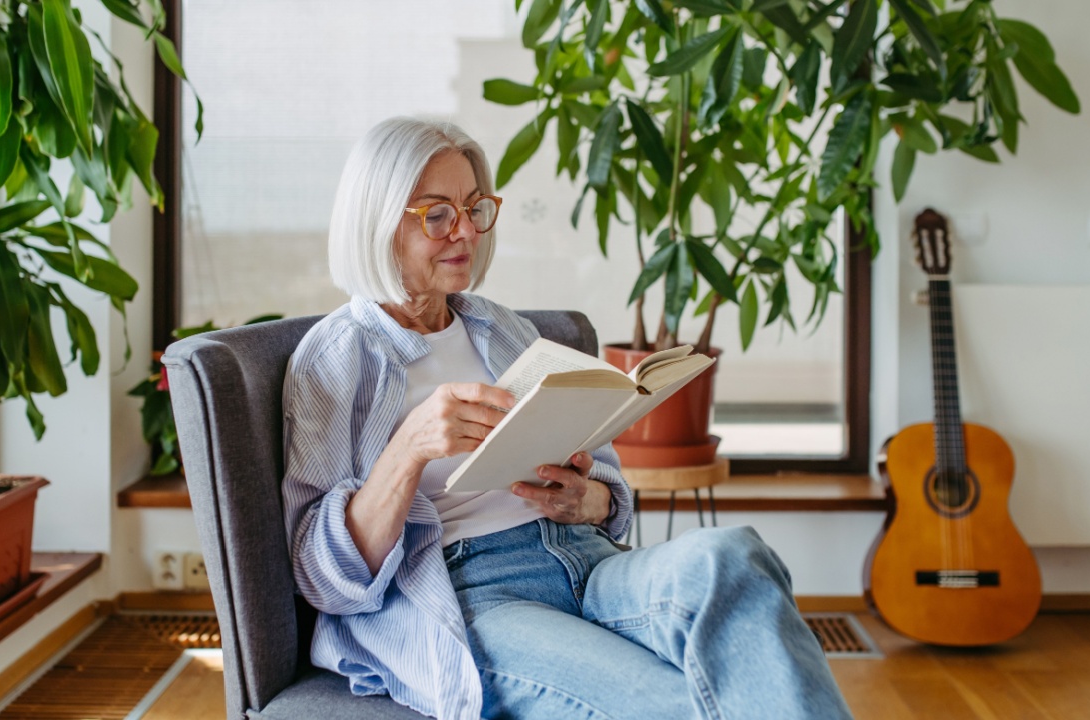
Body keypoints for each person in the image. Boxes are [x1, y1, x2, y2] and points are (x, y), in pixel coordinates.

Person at [281, 116, 853, 720]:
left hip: (587, 560)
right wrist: (408, 449)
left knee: (736, 558)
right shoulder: (337, 357)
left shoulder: (500, 327)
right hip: (476, 594)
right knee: (677, 704)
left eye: (474, 209)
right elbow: (321, 577)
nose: (466, 233)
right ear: (378, 221)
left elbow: (603, 481)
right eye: (437, 214)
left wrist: (588, 500)